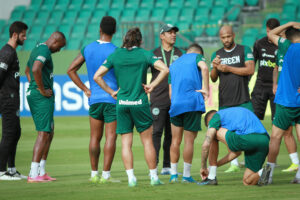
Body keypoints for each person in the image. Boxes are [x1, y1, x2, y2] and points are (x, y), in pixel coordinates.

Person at [94, 27, 169, 187]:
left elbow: (97, 76)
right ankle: (154, 178)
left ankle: (131, 178)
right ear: (140, 40)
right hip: (140, 103)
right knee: (147, 142)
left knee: (126, 143)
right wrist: (152, 86)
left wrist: (111, 92)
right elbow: (165, 69)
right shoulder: (144, 54)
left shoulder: (116, 55)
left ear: (125, 39)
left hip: (122, 104)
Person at [67, 16, 118, 183]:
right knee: (110, 138)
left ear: (100, 30)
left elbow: (71, 70)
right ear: (115, 31)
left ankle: (94, 174)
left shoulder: (88, 48)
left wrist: (85, 89)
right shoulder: (116, 51)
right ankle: (106, 176)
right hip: (111, 98)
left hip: (94, 99)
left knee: (94, 138)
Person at [210, 25, 255, 173]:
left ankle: (251, 166)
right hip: (225, 102)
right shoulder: (216, 54)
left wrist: (228, 69)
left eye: (228, 36)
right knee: (226, 134)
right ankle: (234, 163)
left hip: (243, 100)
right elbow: (213, 78)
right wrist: (215, 67)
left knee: (249, 134)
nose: (226, 40)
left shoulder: (244, 50)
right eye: (223, 37)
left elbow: (250, 70)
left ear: (234, 35)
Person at [25, 31, 66, 182]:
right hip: (41, 96)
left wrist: (33, 86)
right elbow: (35, 69)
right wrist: (40, 89)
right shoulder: (44, 51)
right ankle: (33, 174)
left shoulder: (37, 48)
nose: (59, 50)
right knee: (43, 133)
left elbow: (27, 71)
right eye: (60, 47)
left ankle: (41, 171)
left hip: (38, 95)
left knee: (49, 131)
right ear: (55, 41)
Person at [168, 44, 209, 183]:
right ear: (199, 53)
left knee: (175, 140)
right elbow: (204, 67)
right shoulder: (197, 57)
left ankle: (173, 175)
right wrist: (206, 89)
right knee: (189, 141)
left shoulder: (173, 64)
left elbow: (170, 91)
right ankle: (186, 176)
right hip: (192, 103)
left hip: (175, 104)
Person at [199, 107, 270, 186]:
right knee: (247, 182)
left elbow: (205, 145)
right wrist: (212, 166)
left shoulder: (216, 117)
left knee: (212, 134)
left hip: (248, 139)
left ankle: (211, 178)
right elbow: (236, 153)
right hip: (264, 141)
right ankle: (263, 172)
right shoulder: (232, 116)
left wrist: (203, 167)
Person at [266, 22, 300, 184]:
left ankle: (268, 175)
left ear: (288, 36)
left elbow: (271, 33)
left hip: (285, 101)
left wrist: (291, 23)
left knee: (275, 138)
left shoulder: (286, 46)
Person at [151, 24, 184, 175]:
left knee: (171, 134)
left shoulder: (181, 53)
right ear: (161, 36)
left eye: (174, 32)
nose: (173, 35)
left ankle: (167, 165)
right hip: (158, 99)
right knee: (156, 132)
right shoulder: (153, 54)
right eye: (169, 33)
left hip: (176, 99)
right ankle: (154, 165)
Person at [0, 21, 28, 181]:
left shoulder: (12, 52)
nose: (25, 37)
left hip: (12, 98)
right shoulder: (7, 53)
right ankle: (1, 171)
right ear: (15, 35)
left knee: (15, 133)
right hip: (7, 99)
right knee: (9, 133)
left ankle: (11, 169)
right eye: (23, 35)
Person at [251, 18, 279, 121]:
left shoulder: (283, 45)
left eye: (273, 32)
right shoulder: (259, 44)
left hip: (277, 88)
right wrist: (246, 82)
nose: (270, 35)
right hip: (260, 86)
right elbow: (251, 65)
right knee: (253, 119)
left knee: (278, 122)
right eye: (268, 32)